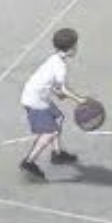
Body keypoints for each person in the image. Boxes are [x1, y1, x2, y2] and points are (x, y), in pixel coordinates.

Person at [18, 27, 89, 180]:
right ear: (70, 49)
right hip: (35, 100)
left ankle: (57, 154)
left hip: (37, 94)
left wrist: (58, 93)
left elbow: (52, 85)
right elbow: (62, 88)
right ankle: (29, 162)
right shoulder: (61, 66)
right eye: (75, 46)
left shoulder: (54, 58)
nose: (76, 48)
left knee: (58, 118)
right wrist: (80, 100)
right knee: (50, 133)